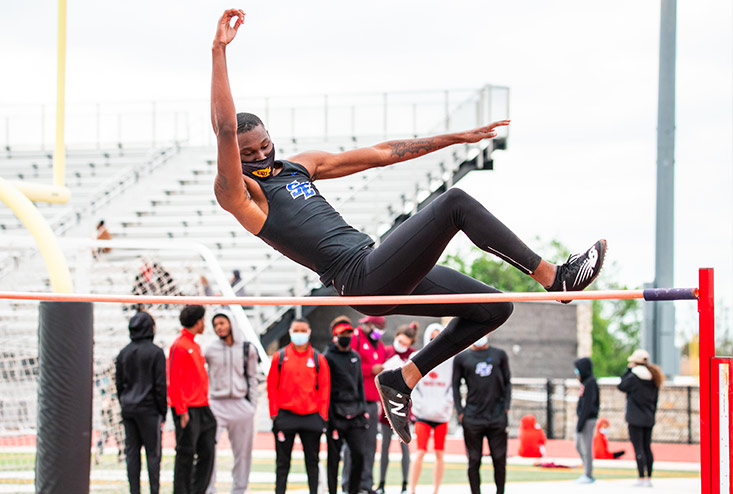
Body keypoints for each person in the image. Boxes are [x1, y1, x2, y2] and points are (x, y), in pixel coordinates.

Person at [210, 8, 606, 443]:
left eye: (266, 145)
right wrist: (219, 50)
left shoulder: (299, 166)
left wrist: (454, 139)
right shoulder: (241, 195)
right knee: (454, 203)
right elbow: (227, 128)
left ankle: (402, 379)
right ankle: (557, 278)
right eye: (250, 153)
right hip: (358, 280)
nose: (261, 155)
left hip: (378, 264)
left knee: (496, 307)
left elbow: (383, 153)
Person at [266, 318, 330, 494]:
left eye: (303, 330)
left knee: (312, 462)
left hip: (311, 416)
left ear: (309, 332)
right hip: (286, 416)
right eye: (296, 330)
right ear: (290, 332)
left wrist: (322, 415)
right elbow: (271, 386)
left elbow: (325, 388)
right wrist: (274, 413)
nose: (299, 333)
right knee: (282, 463)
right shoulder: (280, 357)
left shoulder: (318, 359)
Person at [204, 308, 260, 494]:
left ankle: (239, 490)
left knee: (242, 454)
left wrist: (251, 406)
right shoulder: (209, 350)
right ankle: (209, 489)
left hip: (240, 405)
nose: (219, 327)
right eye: (216, 325)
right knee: (208, 450)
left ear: (231, 323)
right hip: (216, 405)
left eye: (222, 323)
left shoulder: (247, 348)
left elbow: (253, 378)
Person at [115, 311, 167, 494]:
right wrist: (163, 411)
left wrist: (124, 403)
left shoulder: (123, 353)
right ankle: (154, 490)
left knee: (132, 453)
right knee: (153, 454)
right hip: (149, 410)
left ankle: (134, 491)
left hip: (129, 408)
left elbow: (119, 384)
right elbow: (160, 385)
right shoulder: (156, 352)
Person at [168, 305, 217, 494]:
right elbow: (173, 379)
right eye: (203, 320)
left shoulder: (194, 345)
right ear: (197, 322)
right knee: (185, 454)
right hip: (187, 408)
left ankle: (197, 490)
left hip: (203, 406)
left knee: (207, 452)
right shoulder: (179, 345)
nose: (205, 324)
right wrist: (181, 410)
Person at [453, 336, 511, 494]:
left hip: (496, 416)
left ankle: (500, 491)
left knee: (499, 459)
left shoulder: (500, 355)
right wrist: (460, 412)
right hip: (472, 417)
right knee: (474, 460)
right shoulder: (462, 358)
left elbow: (507, 382)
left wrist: (506, 408)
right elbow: (455, 386)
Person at [323, 316, 369, 494]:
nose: (347, 336)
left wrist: (363, 410)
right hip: (336, 414)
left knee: (359, 454)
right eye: (343, 334)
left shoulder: (355, 357)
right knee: (333, 459)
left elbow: (359, 385)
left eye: (349, 333)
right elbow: (325, 389)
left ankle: (353, 490)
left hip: (355, 414)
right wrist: (329, 419)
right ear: (335, 336)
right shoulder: (327, 357)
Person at [343, 316, 387, 493]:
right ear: (368, 324)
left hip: (372, 400)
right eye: (378, 326)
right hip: (356, 401)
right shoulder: (356, 338)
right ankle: (348, 483)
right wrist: (370, 370)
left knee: (370, 445)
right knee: (352, 445)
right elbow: (349, 366)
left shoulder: (380, 344)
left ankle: (366, 484)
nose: (380, 330)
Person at [409, 323, 453, 494]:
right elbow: (412, 386)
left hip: (442, 416)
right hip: (423, 415)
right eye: (432, 335)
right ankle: (412, 490)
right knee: (419, 452)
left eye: (438, 335)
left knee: (440, 454)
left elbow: (452, 386)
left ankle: (436, 490)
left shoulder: (451, 359)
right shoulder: (416, 356)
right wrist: (419, 406)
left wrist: (446, 405)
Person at [377, 323, 418, 494]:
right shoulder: (386, 352)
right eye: (400, 341)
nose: (402, 345)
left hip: (404, 408)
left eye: (405, 343)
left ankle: (404, 483)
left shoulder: (413, 356)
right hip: (385, 408)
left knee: (404, 447)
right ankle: (381, 483)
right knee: (384, 448)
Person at [618, 349, 663, 488]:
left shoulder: (633, 377)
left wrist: (627, 370)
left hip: (635, 418)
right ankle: (648, 477)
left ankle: (641, 477)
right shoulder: (654, 378)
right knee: (647, 447)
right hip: (649, 417)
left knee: (638, 448)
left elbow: (621, 386)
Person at [573, 357, 599, 484]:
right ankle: (586, 470)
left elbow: (588, 405)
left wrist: (581, 422)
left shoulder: (591, 383)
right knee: (578, 445)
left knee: (586, 447)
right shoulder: (585, 383)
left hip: (588, 420)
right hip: (583, 419)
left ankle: (588, 474)